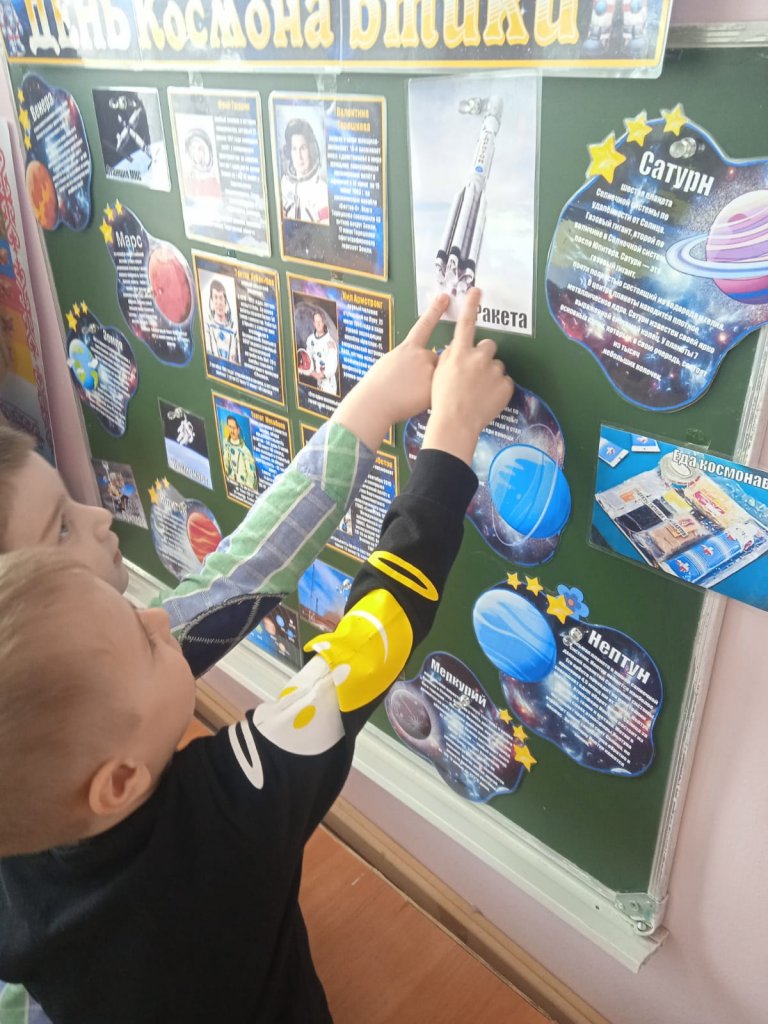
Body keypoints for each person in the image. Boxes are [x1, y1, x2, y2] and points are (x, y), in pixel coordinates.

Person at [0, 290, 513, 1023]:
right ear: (117, 781)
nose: (163, 618)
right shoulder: (227, 814)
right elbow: (368, 642)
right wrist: (451, 441)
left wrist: (369, 405)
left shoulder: (27, 804)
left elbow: (237, 577)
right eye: (145, 635)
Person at [280, 117, 330, 225]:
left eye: (303, 148)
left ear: (311, 150)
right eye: (294, 149)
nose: (299, 156)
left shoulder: (321, 191)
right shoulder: (283, 185)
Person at [299, 309, 339, 395]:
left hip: (329, 388)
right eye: (316, 322)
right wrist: (302, 366)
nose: (318, 324)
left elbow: (325, 373)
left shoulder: (330, 343)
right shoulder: (311, 339)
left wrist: (309, 372)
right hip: (318, 385)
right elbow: (307, 358)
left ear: (324, 322)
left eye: (320, 321)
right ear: (313, 323)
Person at [204, 277, 240, 364]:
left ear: (225, 301)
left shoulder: (234, 327)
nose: (219, 303)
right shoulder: (207, 325)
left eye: (221, 298)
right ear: (211, 301)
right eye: (215, 297)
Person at [222, 413, 258, 491]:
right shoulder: (227, 444)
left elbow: (251, 476)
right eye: (230, 427)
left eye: (234, 428)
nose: (232, 431)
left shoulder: (245, 451)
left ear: (238, 430)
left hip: (243, 487)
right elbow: (225, 463)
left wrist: (246, 490)